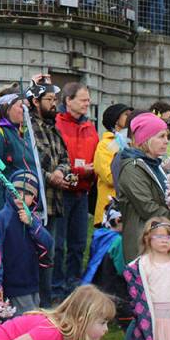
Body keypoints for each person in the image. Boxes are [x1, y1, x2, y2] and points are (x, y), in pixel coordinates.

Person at [0, 169, 53, 315]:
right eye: (17, 190)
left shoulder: (34, 219)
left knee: (28, 327)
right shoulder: (1, 219)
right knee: (8, 330)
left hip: (32, 285)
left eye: (27, 193)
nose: (20, 196)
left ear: (34, 197)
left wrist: (32, 223)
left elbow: (48, 245)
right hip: (7, 288)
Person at [28, 80, 70, 307]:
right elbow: (28, 161)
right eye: (49, 100)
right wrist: (48, 176)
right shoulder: (28, 128)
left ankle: (45, 302)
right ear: (35, 102)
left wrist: (61, 173)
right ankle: (35, 302)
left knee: (50, 254)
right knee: (36, 253)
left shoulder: (54, 128)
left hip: (55, 202)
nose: (54, 104)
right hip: (36, 202)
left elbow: (65, 157)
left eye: (55, 100)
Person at [54, 83, 98, 291]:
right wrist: (81, 170)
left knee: (79, 243)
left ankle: (73, 283)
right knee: (58, 244)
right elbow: (57, 159)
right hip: (62, 191)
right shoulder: (57, 124)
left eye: (88, 100)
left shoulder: (90, 127)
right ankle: (55, 286)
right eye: (83, 100)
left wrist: (94, 169)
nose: (87, 104)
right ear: (68, 101)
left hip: (82, 192)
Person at [116, 113, 170, 262]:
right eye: (161, 136)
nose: (166, 141)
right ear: (145, 139)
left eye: (167, 136)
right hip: (142, 241)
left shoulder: (156, 165)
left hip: (159, 236)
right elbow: (147, 207)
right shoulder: (132, 168)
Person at [0, 93, 37, 218]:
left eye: (27, 107)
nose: (26, 111)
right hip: (8, 206)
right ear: (6, 108)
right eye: (21, 106)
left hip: (25, 205)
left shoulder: (23, 133)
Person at [80, 207, 130, 329]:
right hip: (113, 284)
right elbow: (120, 268)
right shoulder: (118, 240)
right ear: (118, 220)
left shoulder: (99, 234)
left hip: (98, 280)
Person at [93, 103, 133, 229]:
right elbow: (110, 177)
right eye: (126, 115)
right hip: (109, 208)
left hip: (126, 207)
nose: (130, 117)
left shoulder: (130, 142)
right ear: (116, 120)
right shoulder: (106, 145)